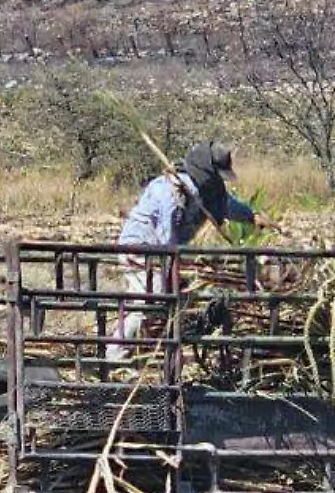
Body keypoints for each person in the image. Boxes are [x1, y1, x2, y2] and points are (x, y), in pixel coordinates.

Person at [109, 142, 266, 356]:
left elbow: (226, 205)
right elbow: (167, 238)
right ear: (205, 171)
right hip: (142, 251)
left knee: (173, 300)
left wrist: (251, 215)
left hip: (168, 254)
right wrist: (174, 265)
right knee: (150, 300)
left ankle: (147, 352)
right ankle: (115, 355)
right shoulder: (171, 190)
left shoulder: (208, 191)